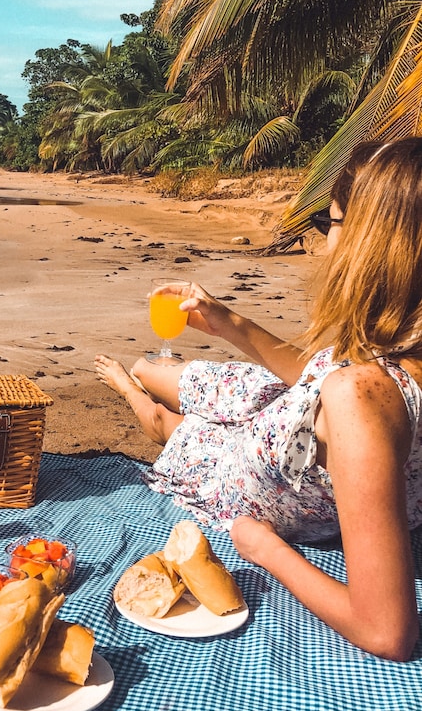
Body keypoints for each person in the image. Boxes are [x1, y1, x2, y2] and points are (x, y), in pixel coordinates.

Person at [95, 137, 422, 660]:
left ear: (369, 242)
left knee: (169, 423)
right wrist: (231, 324)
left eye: (329, 224)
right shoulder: (391, 354)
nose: (325, 245)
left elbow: (387, 632)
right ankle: (150, 369)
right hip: (283, 413)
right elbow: (317, 374)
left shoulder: (361, 396)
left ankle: (130, 382)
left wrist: (264, 549)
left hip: (244, 469)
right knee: (217, 380)